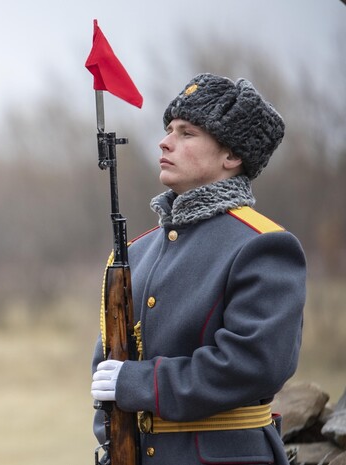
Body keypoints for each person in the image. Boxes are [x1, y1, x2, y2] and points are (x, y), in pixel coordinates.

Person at [90, 73, 305, 464]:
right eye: (169, 129)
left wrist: (140, 383)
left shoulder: (263, 244)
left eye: (187, 133)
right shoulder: (135, 253)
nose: (165, 141)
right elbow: (107, 369)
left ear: (231, 156)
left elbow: (253, 365)